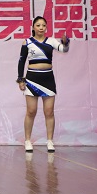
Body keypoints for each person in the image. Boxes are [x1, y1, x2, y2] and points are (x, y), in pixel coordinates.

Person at [17, 16, 70, 153]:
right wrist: (21, 80)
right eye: (38, 25)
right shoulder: (27, 42)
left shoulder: (51, 41)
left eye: (43, 25)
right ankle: (27, 140)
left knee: (49, 111)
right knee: (31, 111)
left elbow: (64, 49)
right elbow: (21, 62)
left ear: (46, 28)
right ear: (33, 27)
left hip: (48, 80)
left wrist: (66, 43)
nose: (41, 28)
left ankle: (50, 141)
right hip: (32, 79)